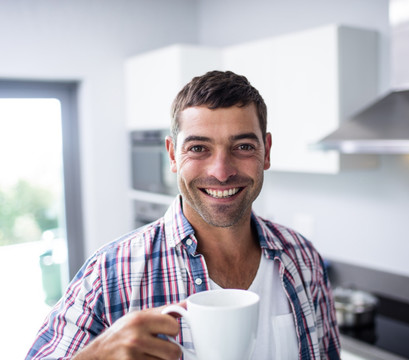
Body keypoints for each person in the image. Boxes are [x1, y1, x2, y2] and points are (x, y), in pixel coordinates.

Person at [26, 70, 340, 360]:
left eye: (243, 146)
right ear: (173, 155)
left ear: (266, 151)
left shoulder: (304, 258)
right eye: (198, 148)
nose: (221, 172)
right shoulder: (109, 274)